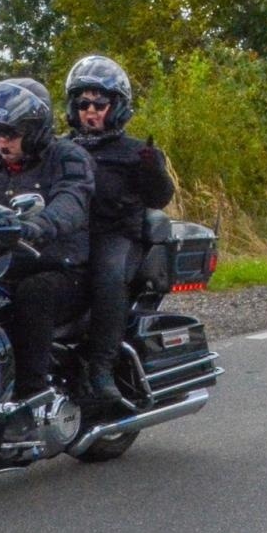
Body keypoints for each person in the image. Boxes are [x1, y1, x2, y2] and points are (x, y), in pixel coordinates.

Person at [65, 55, 176, 403]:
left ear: (117, 107)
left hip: (117, 236)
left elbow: (160, 197)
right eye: (83, 103)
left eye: (100, 103)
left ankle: (102, 368)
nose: (90, 111)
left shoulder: (134, 151)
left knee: (108, 276)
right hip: (71, 235)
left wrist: (153, 169)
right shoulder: (59, 148)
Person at [0, 80, 94, 399]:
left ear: (35, 130)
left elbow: (72, 200)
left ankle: (32, 395)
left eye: (11, 133)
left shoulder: (68, 157)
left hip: (60, 268)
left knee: (34, 293)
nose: (2, 141)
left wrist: (40, 224)